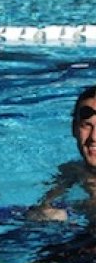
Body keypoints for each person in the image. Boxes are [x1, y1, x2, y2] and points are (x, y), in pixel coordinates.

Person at [28, 85, 96, 223]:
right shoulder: (74, 170)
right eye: (86, 126)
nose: (93, 137)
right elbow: (40, 211)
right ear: (73, 129)